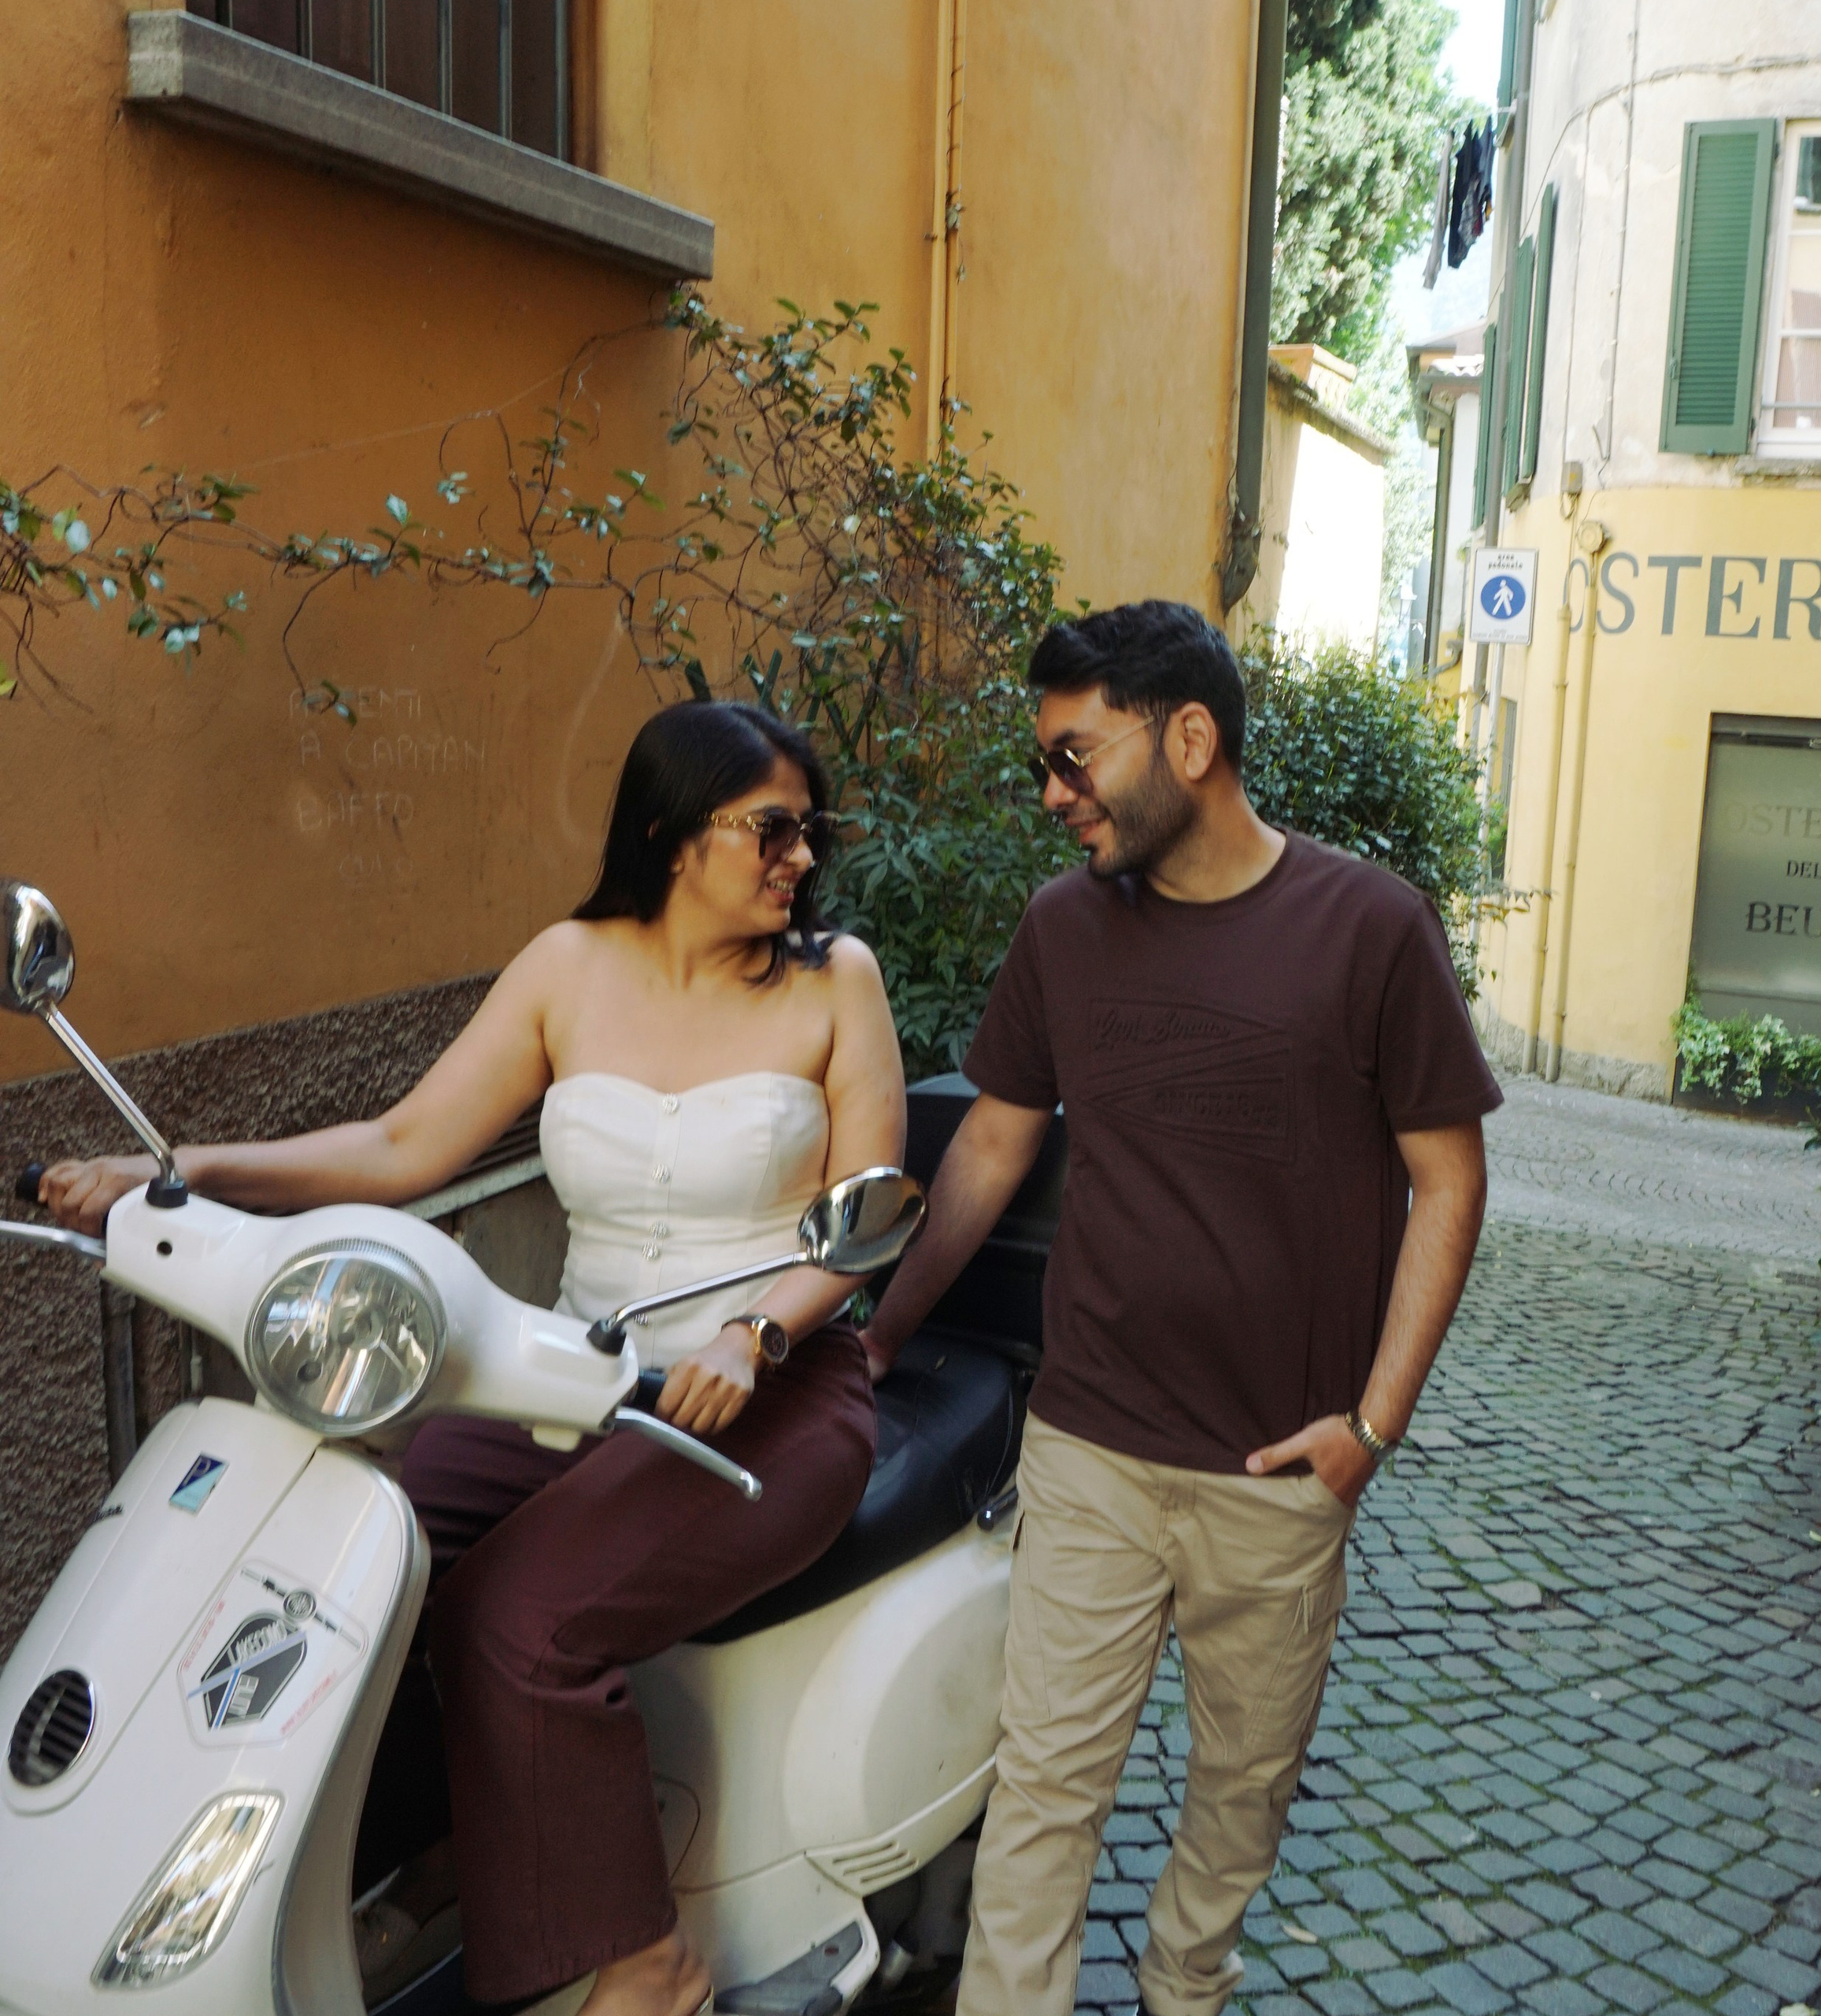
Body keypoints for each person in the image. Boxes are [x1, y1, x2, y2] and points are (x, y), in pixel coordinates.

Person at [43, 700, 907, 2016]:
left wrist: (757, 1331)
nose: (803, 857)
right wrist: (180, 1172)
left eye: (810, 831)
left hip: (774, 1394)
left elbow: (869, 1215)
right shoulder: (568, 965)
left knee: (515, 1617)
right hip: (571, 1373)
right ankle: (401, 1861)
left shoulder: (836, 979)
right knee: (343, 1549)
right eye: (774, 828)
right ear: (673, 832)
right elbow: (405, 1147)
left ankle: (648, 1964)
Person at [860, 602, 1499, 2016]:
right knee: (1042, 1792)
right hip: (1091, 1442)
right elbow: (994, 1141)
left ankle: (1185, 1978)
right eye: (1045, 762)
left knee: (1242, 1792)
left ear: (1190, 739)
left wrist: (1369, 1430)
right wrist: (887, 1329)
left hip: (1278, 1469)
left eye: (1075, 756)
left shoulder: (1371, 929)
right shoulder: (1064, 929)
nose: (1053, 793)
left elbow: (1449, 1181)